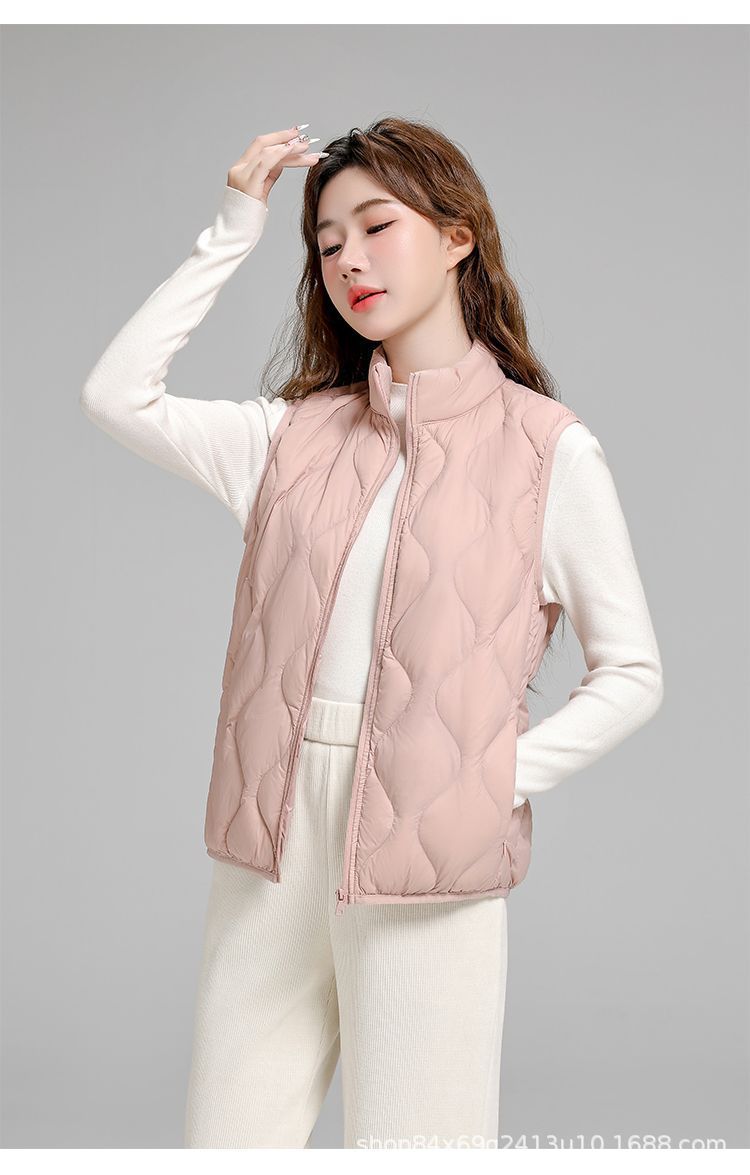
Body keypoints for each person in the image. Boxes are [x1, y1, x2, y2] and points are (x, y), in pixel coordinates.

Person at [79, 118, 664, 1149]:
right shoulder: (289, 436)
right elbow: (116, 395)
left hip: (429, 848)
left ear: (458, 235)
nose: (349, 257)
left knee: (418, 1149)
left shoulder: (548, 452)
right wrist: (234, 226)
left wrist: (488, 778)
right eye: (327, 241)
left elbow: (633, 672)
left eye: (377, 225)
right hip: (271, 842)